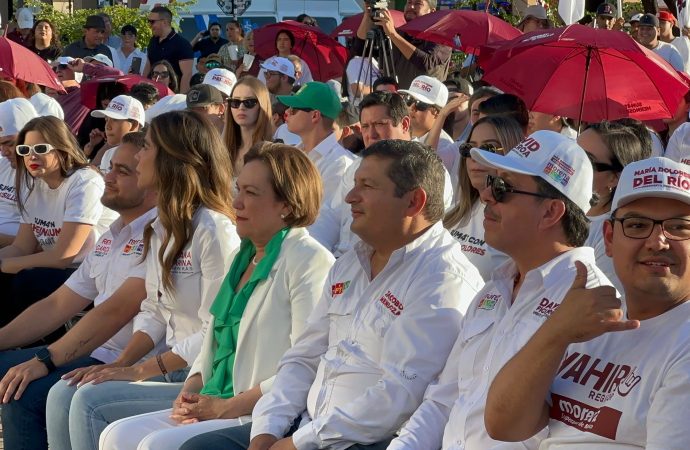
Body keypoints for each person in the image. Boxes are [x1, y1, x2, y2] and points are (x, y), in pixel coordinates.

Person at [178, 139, 484, 450]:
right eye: (354, 184)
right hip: (306, 426)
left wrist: (297, 443)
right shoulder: (351, 263)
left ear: (413, 202)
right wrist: (266, 433)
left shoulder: (441, 279)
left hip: (370, 441)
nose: (350, 197)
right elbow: (303, 357)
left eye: (366, 186)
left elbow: (398, 396)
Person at [99, 142, 335, 449]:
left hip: (259, 412)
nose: (236, 202)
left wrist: (226, 407)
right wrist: (192, 390)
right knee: (117, 435)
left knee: (156, 445)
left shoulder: (309, 260)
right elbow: (212, 334)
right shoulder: (245, 257)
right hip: (215, 400)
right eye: (238, 190)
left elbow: (307, 365)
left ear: (286, 205)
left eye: (251, 193)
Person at [387, 131, 611, 450]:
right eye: (492, 182)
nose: (488, 196)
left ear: (551, 212)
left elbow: (573, 435)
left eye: (503, 187)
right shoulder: (493, 290)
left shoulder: (593, 305)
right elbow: (443, 400)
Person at [44, 110, 241, 450]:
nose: (138, 156)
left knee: (90, 402)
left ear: (171, 159)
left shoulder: (214, 230)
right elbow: (153, 308)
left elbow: (216, 329)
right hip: (172, 368)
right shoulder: (164, 225)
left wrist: (140, 370)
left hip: (205, 376)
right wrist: (121, 364)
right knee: (66, 390)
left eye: (146, 147)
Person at [485, 156, 690, 449]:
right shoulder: (588, 321)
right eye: (636, 225)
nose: (657, 241)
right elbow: (505, 425)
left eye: (679, 227)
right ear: (608, 239)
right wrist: (556, 331)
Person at [0, 133, 163, 450]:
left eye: (123, 171)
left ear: (154, 184)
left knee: (23, 395)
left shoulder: (160, 233)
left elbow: (114, 311)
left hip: (139, 363)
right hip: (99, 353)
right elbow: (58, 304)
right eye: (109, 167)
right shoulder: (114, 233)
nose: (108, 177)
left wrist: (45, 360)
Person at [0, 116, 117, 326]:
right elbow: (21, 247)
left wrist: (4, 264)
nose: (31, 156)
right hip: (59, 269)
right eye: (25, 151)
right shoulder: (33, 183)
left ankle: (19, 348)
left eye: (40, 148)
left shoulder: (84, 181)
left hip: (94, 272)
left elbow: (63, 256)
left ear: (61, 147)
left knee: (26, 282)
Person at [277, 81, 356, 248]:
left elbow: (323, 228)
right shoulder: (293, 155)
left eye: (294, 109)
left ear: (315, 116)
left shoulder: (341, 165)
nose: (287, 112)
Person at [443, 115, 523, 279]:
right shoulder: (450, 214)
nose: (475, 156)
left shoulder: (521, 225)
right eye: (469, 149)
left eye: (488, 149)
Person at [579, 121, 647, 293]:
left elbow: (597, 301)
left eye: (586, 161)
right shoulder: (552, 205)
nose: (572, 163)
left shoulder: (612, 236)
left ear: (614, 179)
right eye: (572, 153)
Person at [355, 0, 452, 91]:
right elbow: (360, 49)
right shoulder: (397, 34)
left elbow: (426, 63)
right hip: (395, 102)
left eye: (418, 3)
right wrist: (368, 15)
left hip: (425, 105)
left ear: (432, 11)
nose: (411, 6)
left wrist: (393, 35)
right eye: (409, 2)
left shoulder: (441, 37)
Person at [399, 75, 456, 173]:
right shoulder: (399, 131)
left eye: (420, 104)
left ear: (438, 113)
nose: (412, 107)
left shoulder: (444, 147)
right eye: (409, 100)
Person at [0, 98, 36, 247]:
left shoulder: (45, 176)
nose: (3, 151)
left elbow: (39, 245)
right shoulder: (4, 165)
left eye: (9, 143)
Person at [223, 76, 274, 176]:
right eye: (235, 102)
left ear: (262, 105)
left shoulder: (273, 153)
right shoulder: (224, 150)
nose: (241, 107)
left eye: (249, 102)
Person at [90, 95, 146, 172]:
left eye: (115, 120)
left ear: (133, 125)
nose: (107, 126)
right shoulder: (108, 154)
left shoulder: (145, 157)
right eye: (106, 120)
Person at [145, 6, 194, 93]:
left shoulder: (182, 44)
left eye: (152, 22)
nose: (149, 25)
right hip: (153, 95)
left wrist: (181, 101)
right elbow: (148, 67)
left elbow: (187, 75)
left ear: (164, 22)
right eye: (148, 21)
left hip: (172, 97)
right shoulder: (153, 41)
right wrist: (142, 90)